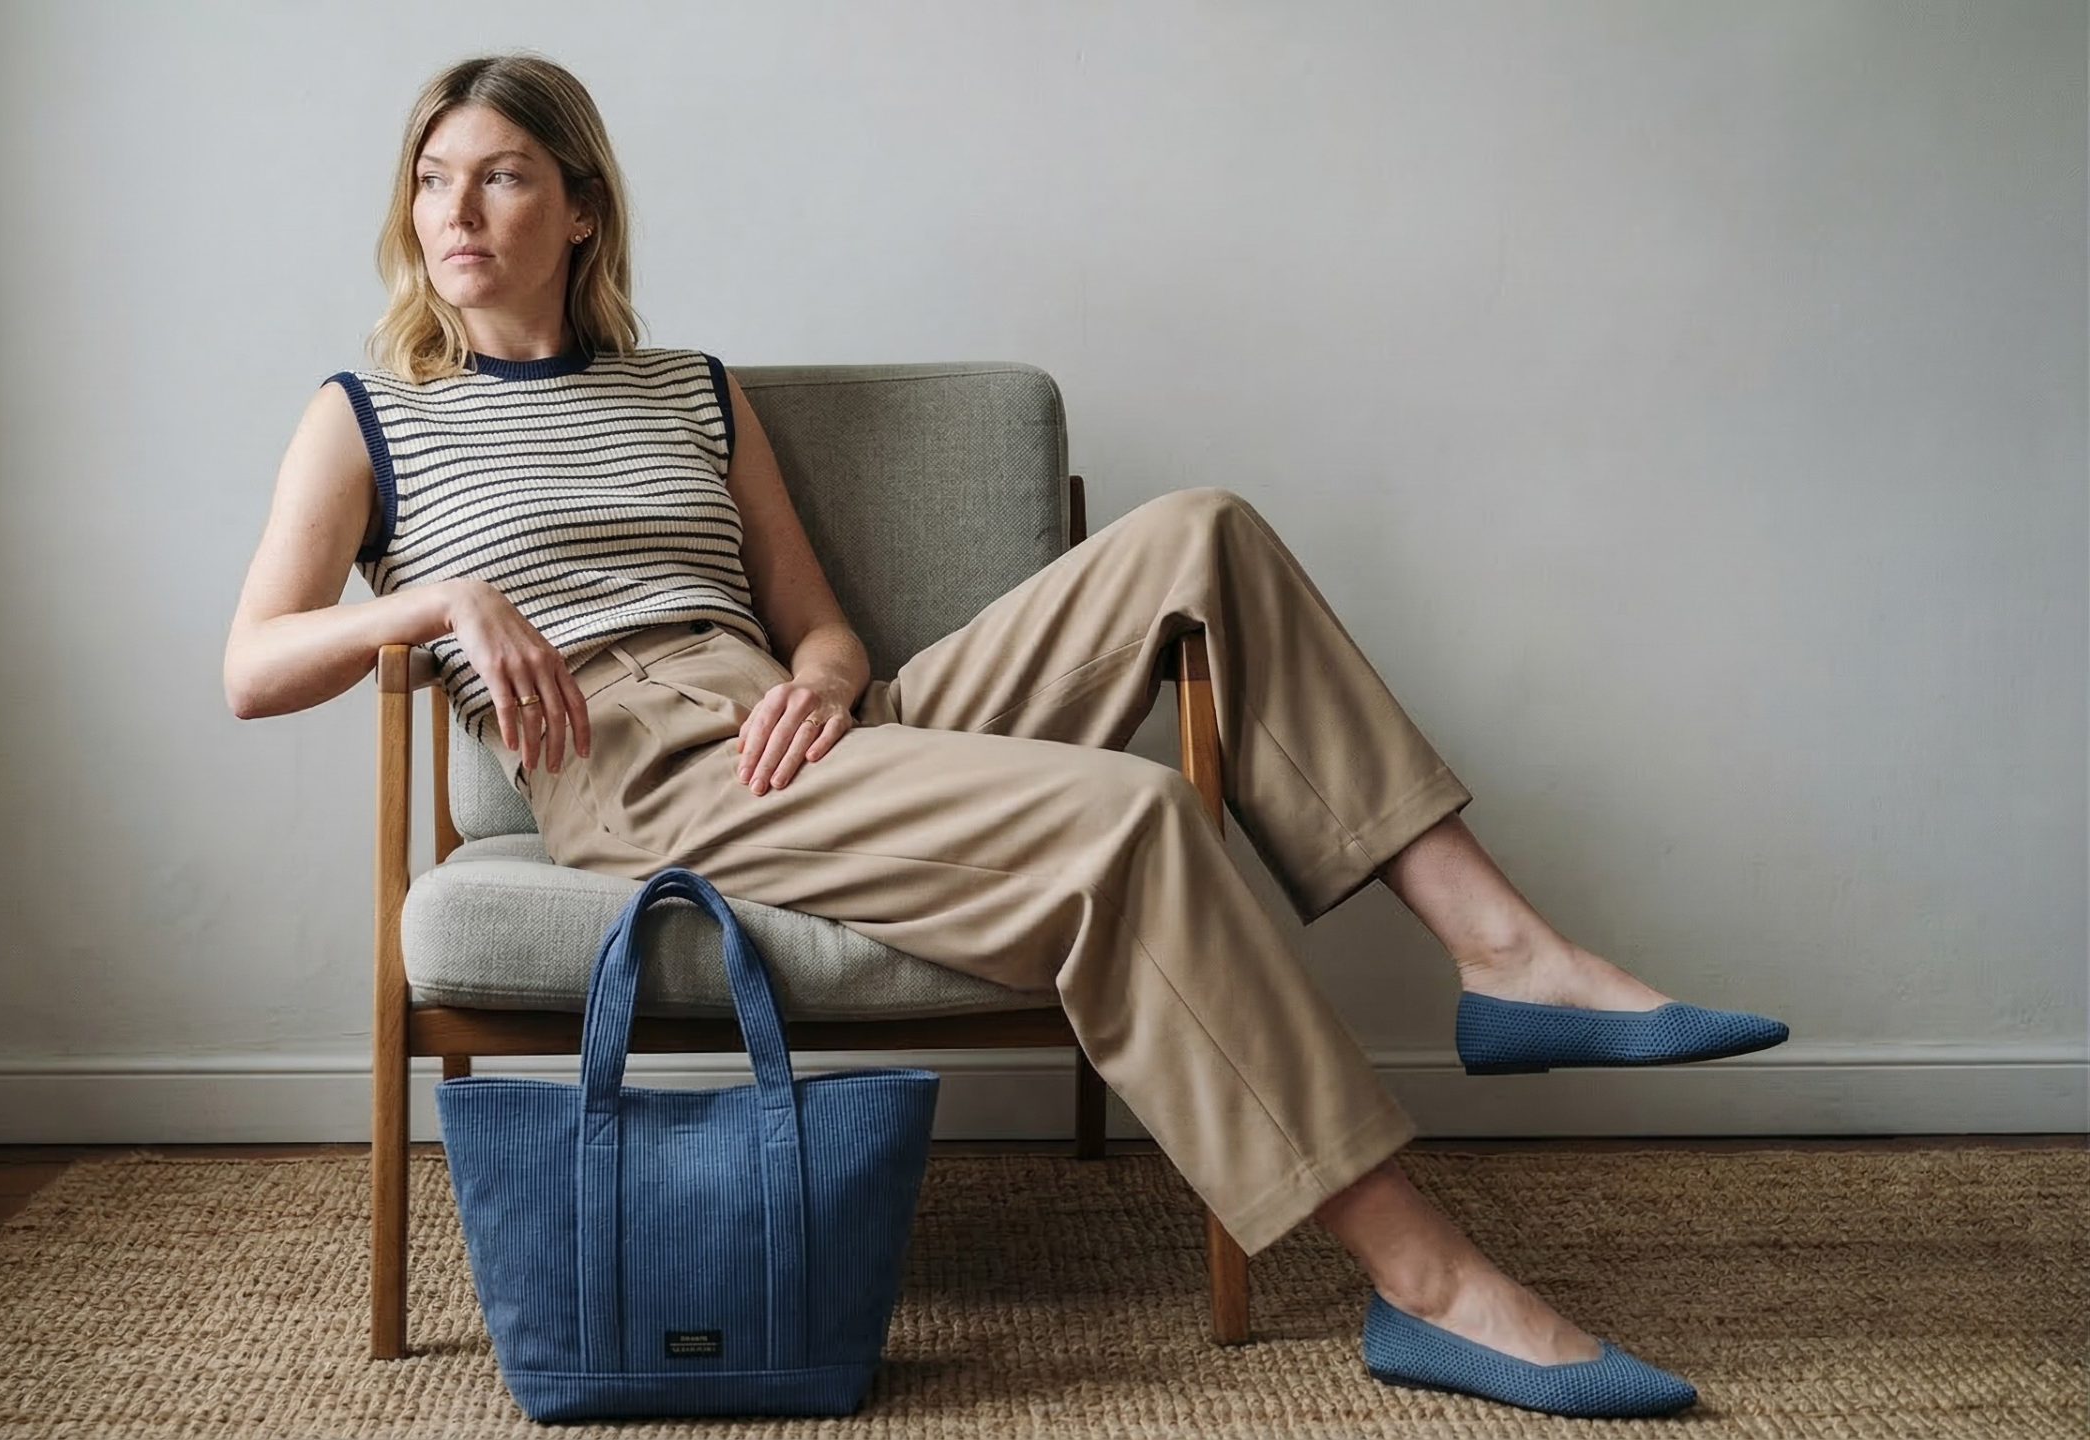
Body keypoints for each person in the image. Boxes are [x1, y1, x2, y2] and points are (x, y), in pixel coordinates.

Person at [223, 50, 1790, 1420]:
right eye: (434, 179)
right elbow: (252, 664)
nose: (458, 212)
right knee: (1132, 817)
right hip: (645, 767)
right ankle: (1429, 1282)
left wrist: (827, 682)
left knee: (1201, 534)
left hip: (794, 716)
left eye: (501, 177)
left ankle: (1504, 956)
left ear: (579, 210)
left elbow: (819, 619)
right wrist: (437, 604)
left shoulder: (691, 390)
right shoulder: (372, 415)